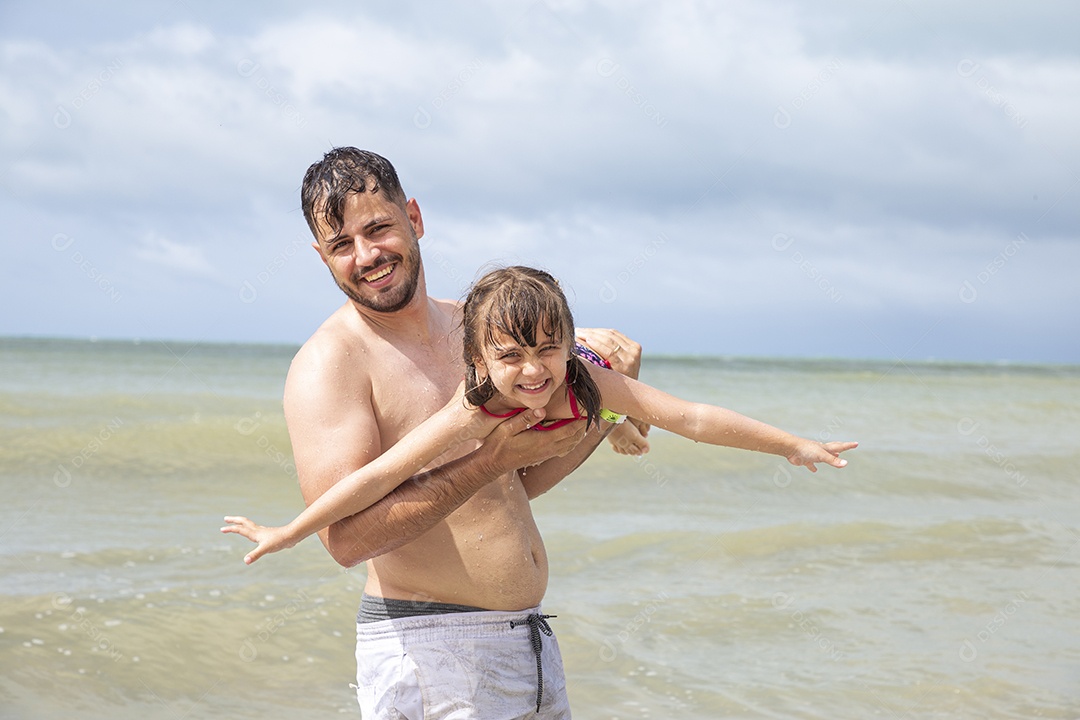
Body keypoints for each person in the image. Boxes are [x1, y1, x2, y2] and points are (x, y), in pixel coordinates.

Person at [234, 147, 640, 719]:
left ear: (415, 219)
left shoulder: (480, 334)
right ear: (321, 256)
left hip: (527, 644)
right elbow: (346, 542)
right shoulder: (332, 364)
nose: (367, 256)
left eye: (378, 228)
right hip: (431, 655)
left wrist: (606, 404)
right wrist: (484, 462)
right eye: (342, 245)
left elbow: (519, 481)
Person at [224, 266, 857, 568]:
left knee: (629, 408)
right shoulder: (470, 412)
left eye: (544, 351)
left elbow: (690, 416)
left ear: (565, 341)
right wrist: (290, 532)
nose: (532, 373)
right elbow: (376, 476)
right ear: (477, 360)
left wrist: (791, 446)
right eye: (511, 358)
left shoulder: (577, 372)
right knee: (607, 415)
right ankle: (619, 427)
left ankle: (621, 425)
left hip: (593, 379)